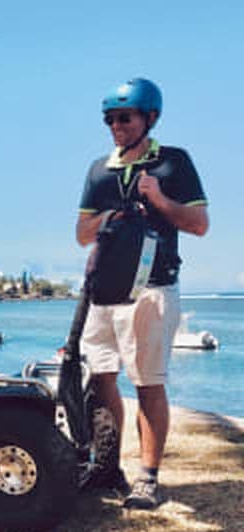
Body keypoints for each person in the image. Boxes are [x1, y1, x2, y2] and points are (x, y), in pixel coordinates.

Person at [76, 78, 209, 509]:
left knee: (148, 383)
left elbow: (199, 224)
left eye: (125, 118)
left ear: (150, 118)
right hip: (104, 291)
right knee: (101, 377)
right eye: (110, 120)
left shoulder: (173, 162)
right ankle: (107, 466)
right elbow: (82, 234)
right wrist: (110, 217)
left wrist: (159, 199)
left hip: (153, 288)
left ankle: (147, 478)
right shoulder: (100, 170)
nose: (116, 126)